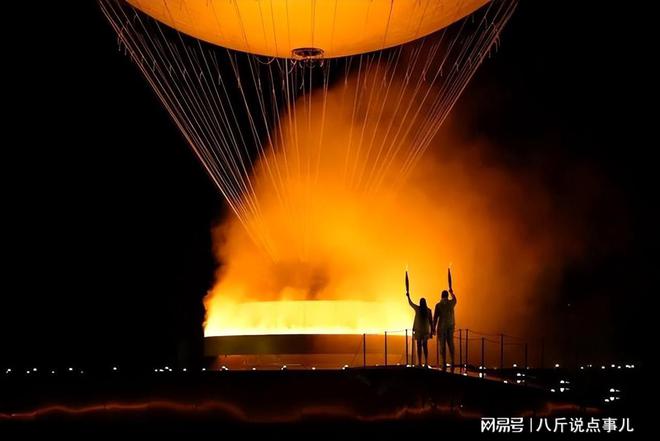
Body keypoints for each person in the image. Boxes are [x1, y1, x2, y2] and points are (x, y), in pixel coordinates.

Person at [406, 292, 433, 367]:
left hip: (418, 331)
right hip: (425, 331)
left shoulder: (418, 309)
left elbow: (411, 303)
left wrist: (408, 296)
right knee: (425, 346)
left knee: (419, 347)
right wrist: (431, 332)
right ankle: (426, 362)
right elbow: (431, 322)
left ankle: (420, 362)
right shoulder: (429, 310)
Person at [433, 288, 457, 371]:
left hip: (442, 328)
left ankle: (443, 363)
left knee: (442, 346)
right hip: (450, 326)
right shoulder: (451, 303)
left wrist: (433, 328)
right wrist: (452, 292)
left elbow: (435, 318)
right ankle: (452, 362)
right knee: (451, 344)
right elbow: (455, 299)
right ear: (447, 296)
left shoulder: (438, 305)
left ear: (441, 296)